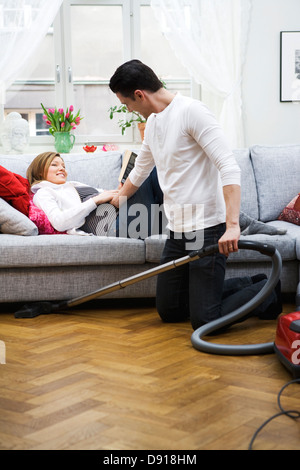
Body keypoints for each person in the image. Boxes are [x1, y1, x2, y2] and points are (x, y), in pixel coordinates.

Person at [109, 59, 282, 330]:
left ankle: (267, 293)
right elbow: (141, 169)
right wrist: (116, 198)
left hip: (208, 228)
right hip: (178, 231)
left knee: (205, 320)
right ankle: (254, 282)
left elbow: (229, 167)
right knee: (171, 310)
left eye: (127, 103)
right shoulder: (154, 123)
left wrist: (233, 225)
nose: (128, 109)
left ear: (140, 95)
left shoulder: (192, 112)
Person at [26, 151, 163, 238]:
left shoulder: (72, 185)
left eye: (63, 165)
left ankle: (174, 223)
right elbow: (59, 222)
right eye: (54, 165)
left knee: (154, 171)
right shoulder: (43, 192)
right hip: (112, 226)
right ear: (39, 172)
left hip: (124, 214)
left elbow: (105, 195)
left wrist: (121, 190)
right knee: (146, 170)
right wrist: (95, 201)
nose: (62, 168)